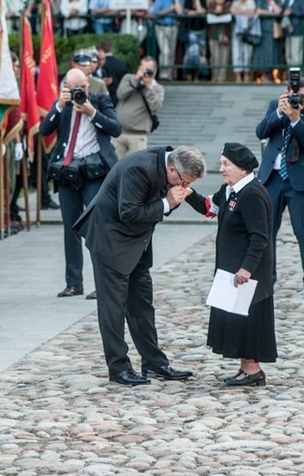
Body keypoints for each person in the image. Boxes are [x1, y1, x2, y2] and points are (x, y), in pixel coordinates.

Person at [75, 145, 206, 385]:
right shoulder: (139, 168)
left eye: (188, 184)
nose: (184, 188)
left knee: (142, 303)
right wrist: (167, 203)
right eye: (184, 182)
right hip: (109, 237)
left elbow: (168, 201)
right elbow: (129, 212)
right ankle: (119, 368)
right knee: (113, 307)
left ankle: (155, 364)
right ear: (172, 168)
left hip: (137, 243)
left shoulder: (170, 165)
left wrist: (191, 204)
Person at [185, 143, 275, 386]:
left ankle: (254, 370)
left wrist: (247, 267)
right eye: (222, 163)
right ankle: (245, 368)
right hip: (231, 269)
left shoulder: (253, 194)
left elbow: (260, 237)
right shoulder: (230, 190)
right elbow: (210, 208)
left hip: (248, 271)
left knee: (250, 319)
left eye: (227, 164)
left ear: (243, 170)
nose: (221, 168)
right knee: (236, 319)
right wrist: (187, 193)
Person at [39, 68, 120, 300]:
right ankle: (74, 283)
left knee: (97, 228)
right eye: (74, 88)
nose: (79, 92)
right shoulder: (62, 106)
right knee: (70, 228)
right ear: (65, 87)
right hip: (67, 172)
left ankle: (102, 283)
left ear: (88, 85)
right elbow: (44, 131)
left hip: (94, 172)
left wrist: (91, 112)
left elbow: (116, 128)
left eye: (83, 87)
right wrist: (58, 106)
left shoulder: (100, 101)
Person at [256, 76, 304, 298]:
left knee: (303, 232)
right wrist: (279, 112)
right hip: (272, 178)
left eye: (302, 96)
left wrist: (296, 120)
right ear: (286, 92)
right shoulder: (275, 106)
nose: (298, 99)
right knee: (267, 232)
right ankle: (268, 278)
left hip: (299, 182)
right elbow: (260, 132)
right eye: (294, 95)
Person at [112, 57, 164, 159]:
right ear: (139, 68)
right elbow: (120, 94)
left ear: (155, 71)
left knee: (138, 166)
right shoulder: (128, 78)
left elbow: (155, 107)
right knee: (112, 165)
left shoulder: (158, 88)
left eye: (149, 69)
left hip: (138, 135)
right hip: (118, 133)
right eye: (143, 68)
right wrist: (135, 80)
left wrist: (149, 87)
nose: (145, 72)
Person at [152, 0, 183, 81]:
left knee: (171, 53)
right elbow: (155, 12)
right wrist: (170, 9)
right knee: (165, 51)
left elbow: (180, 13)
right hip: (161, 27)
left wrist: (176, 2)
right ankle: (164, 74)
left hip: (174, 27)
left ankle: (169, 75)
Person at [230, 0, 256, 83]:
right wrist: (245, 12)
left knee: (247, 53)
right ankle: (238, 76)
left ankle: (246, 75)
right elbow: (232, 11)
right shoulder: (236, 2)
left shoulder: (251, 2)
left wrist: (239, 11)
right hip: (237, 31)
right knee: (237, 53)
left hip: (248, 30)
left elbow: (251, 13)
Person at [206, 0, 232, 83]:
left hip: (225, 36)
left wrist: (221, 10)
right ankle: (214, 78)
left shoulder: (228, 5)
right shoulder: (211, 4)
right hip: (213, 36)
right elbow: (208, 14)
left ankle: (222, 79)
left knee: (224, 59)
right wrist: (215, 11)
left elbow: (229, 15)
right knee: (214, 58)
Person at [281, 0, 304, 69]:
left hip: (299, 32)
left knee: (296, 57)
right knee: (289, 55)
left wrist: (292, 11)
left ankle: (296, 77)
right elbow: (283, 10)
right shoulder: (287, 1)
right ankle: (292, 77)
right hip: (288, 31)